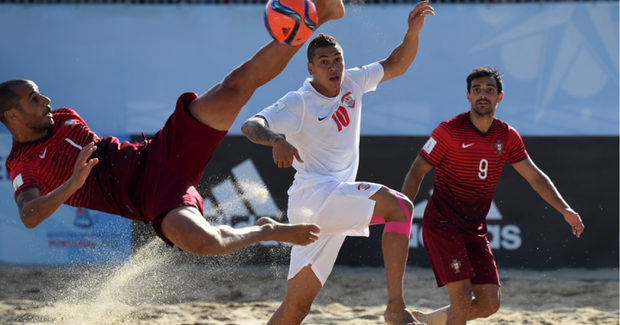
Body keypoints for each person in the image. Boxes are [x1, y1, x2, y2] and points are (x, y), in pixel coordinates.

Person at [0, 0, 347, 258]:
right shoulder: (22, 164)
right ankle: (263, 230)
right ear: (11, 116)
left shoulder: (61, 116)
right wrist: (73, 184)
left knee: (235, 87)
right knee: (204, 243)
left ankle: (317, 17)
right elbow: (29, 216)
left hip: (158, 152)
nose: (46, 99)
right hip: (148, 198)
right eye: (33, 99)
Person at [241, 2, 434, 324]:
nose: (333, 67)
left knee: (296, 308)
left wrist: (412, 32)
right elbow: (250, 125)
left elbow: (397, 63)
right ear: (311, 69)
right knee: (399, 207)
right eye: (324, 61)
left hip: (331, 203)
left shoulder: (353, 82)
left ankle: (276, 230)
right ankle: (396, 309)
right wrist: (277, 140)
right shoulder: (299, 101)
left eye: (337, 59)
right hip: (315, 196)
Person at [401, 67, 585, 325]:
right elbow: (416, 171)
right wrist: (404, 211)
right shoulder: (449, 130)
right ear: (468, 96)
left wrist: (565, 209)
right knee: (462, 298)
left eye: (489, 89)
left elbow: (535, 176)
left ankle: (424, 320)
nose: (482, 94)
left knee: (489, 303)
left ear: (500, 96)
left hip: (474, 228)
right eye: (477, 90)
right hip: (443, 224)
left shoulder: (507, 136)